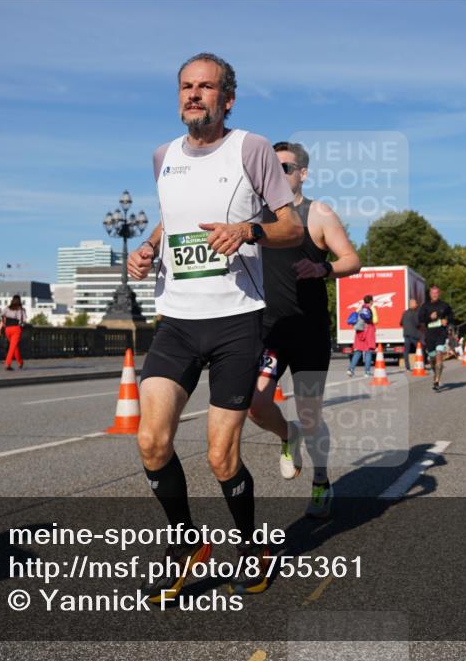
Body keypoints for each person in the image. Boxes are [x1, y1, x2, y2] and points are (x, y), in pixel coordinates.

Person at [125, 53, 303, 600]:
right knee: (151, 442)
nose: (193, 95)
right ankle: (187, 544)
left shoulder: (250, 148)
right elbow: (171, 214)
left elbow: (290, 226)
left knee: (220, 456)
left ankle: (252, 545)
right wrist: (150, 246)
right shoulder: (163, 156)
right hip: (177, 318)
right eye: (186, 86)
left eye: (206, 87)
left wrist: (247, 230)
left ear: (227, 98)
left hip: (234, 320)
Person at [247, 141, 360, 520]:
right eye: (272, 168)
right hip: (270, 329)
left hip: (309, 331)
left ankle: (321, 479)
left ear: (303, 173)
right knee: (256, 405)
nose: (278, 174)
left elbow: (351, 259)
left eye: (286, 168)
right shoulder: (257, 216)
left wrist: (323, 269)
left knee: (311, 414)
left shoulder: (318, 212)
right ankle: (287, 435)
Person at [418, 285, 453, 391]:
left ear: (439, 293)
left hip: (441, 333)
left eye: (436, 293)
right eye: (433, 293)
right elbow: (420, 319)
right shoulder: (425, 306)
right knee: (432, 358)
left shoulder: (444, 305)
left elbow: (451, 316)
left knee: (438, 354)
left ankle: (437, 380)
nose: (435, 295)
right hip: (430, 335)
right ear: (430, 294)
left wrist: (447, 321)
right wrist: (430, 317)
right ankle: (435, 374)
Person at [347, 295, 378, 377]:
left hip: (359, 332)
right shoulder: (371, 309)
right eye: (372, 301)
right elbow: (375, 320)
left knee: (358, 351)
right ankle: (367, 372)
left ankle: (351, 369)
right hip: (368, 331)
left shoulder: (359, 309)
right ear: (371, 301)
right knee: (368, 352)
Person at [0, 295, 27, 370]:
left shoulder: (7, 308)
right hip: (16, 329)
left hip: (7, 329)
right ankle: (7, 363)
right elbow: (23, 321)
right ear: (20, 301)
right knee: (12, 347)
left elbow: (2, 320)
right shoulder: (21, 310)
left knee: (14, 347)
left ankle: (20, 362)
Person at [401, 298, 422, 371]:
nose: (417, 305)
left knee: (406, 350)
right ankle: (421, 363)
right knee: (419, 349)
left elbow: (401, 323)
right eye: (416, 303)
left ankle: (407, 366)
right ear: (412, 304)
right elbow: (417, 323)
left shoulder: (405, 313)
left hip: (406, 333)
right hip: (414, 334)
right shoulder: (416, 313)